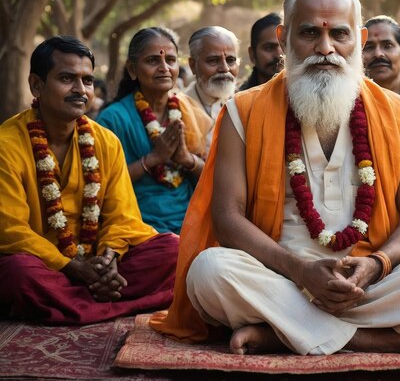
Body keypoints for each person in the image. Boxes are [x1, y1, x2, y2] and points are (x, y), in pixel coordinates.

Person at [150, 0, 400, 356]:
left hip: (369, 279)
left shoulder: (396, 113)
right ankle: (369, 339)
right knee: (209, 272)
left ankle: (282, 332)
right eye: (309, 33)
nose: (326, 48)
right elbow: (227, 217)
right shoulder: (243, 110)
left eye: (339, 34)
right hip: (279, 276)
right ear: (284, 34)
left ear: (358, 36)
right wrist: (299, 270)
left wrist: (376, 264)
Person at [0, 36, 178, 324]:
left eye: (87, 80)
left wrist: (109, 259)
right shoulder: (6, 145)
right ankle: (109, 302)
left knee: (172, 250)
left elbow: (122, 217)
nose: (80, 90)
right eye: (67, 78)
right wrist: (71, 266)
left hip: (97, 264)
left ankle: (73, 304)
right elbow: (10, 231)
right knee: (17, 273)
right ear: (36, 85)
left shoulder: (105, 141)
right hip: (44, 265)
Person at [98, 27, 212, 234]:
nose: (164, 67)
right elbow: (101, 186)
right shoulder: (112, 118)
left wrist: (187, 159)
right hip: (138, 225)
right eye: (152, 61)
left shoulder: (190, 110)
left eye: (170, 60)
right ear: (132, 69)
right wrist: (153, 159)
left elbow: (214, 178)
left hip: (192, 221)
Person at [184, 26, 240, 148]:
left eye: (230, 60)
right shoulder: (179, 108)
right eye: (213, 60)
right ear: (193, 65)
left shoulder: (245, 104)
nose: (225, 68)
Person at [238, 12, 283, 90]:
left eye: (285, 46)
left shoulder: (305, 97)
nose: (279, 55)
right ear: (252, 54)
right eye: (269, 48)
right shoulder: (239, 100)